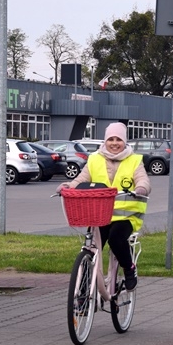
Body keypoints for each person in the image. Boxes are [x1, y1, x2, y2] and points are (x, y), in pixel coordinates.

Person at [58, 122, 150, 290]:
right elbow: (81, 179)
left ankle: (129, 269)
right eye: (110, 139)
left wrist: (141, 188)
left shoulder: (135, 160)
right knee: (90, 248)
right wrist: (69, 186)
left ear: (125, 142)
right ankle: (83, 291)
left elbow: (143, 179)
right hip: (99, 215)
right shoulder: (94, 159)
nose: (114, 143)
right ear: (105, 141)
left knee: (116, 239)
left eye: (118, 139)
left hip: (125, 216)